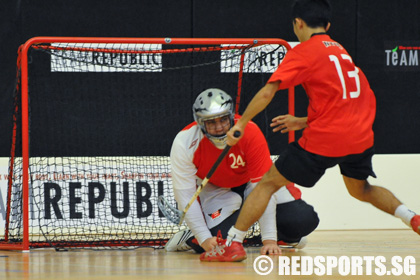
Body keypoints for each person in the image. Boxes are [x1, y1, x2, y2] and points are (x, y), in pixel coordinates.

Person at [200, 0, 420, 262]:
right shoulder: (341, 52)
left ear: (298, 23)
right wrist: (303, 121)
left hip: (326, 140)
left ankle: (233, 244)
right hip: (361, 136)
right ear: (327, 25)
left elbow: (268, 92)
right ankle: (412, 217)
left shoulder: (305, 51)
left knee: (267, 183)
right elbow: (349, 100)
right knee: (361, 189)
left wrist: (242, 123)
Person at [165, 88, 319, 256]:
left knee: (302, 220)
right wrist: (203, 238)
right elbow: (186, 196)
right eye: (211, 122)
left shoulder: (250, 132)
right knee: (219, 240)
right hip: (218, 190)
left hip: (254, 185)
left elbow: (262, 187)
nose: (219, 127)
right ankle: (191, 237)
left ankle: (284, 237)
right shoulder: (185, 142)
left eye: (223, 120)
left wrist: (269, 240)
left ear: (231, 117)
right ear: (200, 123)